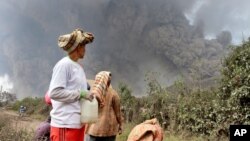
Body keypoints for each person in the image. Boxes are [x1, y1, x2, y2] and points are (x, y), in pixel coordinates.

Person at [48, 28, 95, 141]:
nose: (85, 50)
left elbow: (78, 95)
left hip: (77, 124)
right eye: (84, 46)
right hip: (65, 125)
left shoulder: (79, 68)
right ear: (78, 47)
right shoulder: (63, 65)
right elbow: (54, 93)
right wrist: (81, 93)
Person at [85, 71, 123, 141]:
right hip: (108, 130)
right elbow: (118, 113)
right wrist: (120, 125)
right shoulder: (113, 94)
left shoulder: (92, 94)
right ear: (108, 81)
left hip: (93, 129)